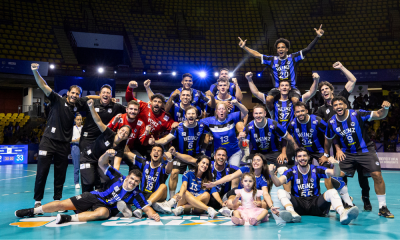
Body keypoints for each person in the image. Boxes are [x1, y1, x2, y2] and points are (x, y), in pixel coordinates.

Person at [15, 149, 160, 224]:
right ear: (127, 177)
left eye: (136, 182)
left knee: (102, 214)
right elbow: (102, 164)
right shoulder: (118, 177)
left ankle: (68, 219)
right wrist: (105, 154)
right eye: (132, 179)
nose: (133, 183)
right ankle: (33, 210)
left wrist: (153, 215)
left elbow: (147, 208)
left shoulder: (136, 193)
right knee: (61, 204)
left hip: (106, 207)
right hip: (94, 197)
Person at [315, 62, 372, 210]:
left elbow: (352, 80)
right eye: (322, 90)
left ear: (331, 90)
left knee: (362, 175)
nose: (324, 91)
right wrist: (336, 149)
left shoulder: (341, 98)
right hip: (340, 146)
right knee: (341, 174)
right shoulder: (321, 110)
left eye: (326, 88)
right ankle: (346, 201)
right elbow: (329, 133)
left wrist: (341, 68)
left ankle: (366, 198)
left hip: (357, 141)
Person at [325, 96, 394, 218]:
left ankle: (382, 207)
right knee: (336, 176)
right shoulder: (331, 122)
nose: (338, 107)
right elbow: (328, 139)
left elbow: (379, 114)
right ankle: (347, 204)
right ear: (333, 107)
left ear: (346, 105)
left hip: (365, 150)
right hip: (347, 153)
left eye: (340, 104)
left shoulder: (357, 114)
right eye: (335, 105)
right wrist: (327, 154)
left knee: (377, 175)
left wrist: (386, 108)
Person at [30, 63, 84, 210]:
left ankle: (58, 201)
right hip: (48, 141)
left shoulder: (76, 107)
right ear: (68, 93)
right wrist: (36, 71)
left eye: (77, 94)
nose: (74, 96)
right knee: (42, 172)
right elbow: (43, 85)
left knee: (60, 175)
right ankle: (38, 201)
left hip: (64, 145)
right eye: (72, 93)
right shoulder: (57, 99)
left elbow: (91, 99)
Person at [238, 25, 324, 118]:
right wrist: (245, 47)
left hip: (292, 88)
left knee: (295, 100)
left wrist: (317, 37)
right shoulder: (272, 60)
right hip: (277, 88)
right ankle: (272, 115)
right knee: (269, 99)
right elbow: (257, 55)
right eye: (278, 48)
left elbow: (307, 49)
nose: (280, 49)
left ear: (287, 49)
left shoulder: (293, 57)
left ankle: (295, 119)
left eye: (283, 47)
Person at [288, 102, 354, 207]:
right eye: (297, 112)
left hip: (320, 152)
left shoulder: (317, 121)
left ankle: (335, 200)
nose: (300, 113)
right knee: (301, 174)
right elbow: (288, 137)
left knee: (327, 174)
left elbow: (330, 134)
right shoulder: (292, 124)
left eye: (302, 111)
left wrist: (327, 154)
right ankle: (301, 200)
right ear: (294, 113)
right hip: (305, 152)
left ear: (306, 111)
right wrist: (297, 150)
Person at [270, 147, 359, 225]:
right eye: (299, 156)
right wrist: (272, 174)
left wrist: (336, 164)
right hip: (298, 205)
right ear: (296, 159)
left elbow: (336, 173)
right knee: (281, 192)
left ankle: (343, 213)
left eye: (304, 156)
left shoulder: (316, 169)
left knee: (332, 192)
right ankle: (291, 212)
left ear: (309, 157)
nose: (302, 158)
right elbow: (278, 183)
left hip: (316, 204)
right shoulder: (291, 171)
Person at [148, 106, 207, 199]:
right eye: (189, 114)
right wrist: (155, 142)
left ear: (196, 116)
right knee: (174, 172)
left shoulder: (202, 126)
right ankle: (172, 198)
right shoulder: (178, 127)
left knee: (201, 174)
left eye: (193, 114)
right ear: (185, 116)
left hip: (196, 156)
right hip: (179, 155)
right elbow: (166, 140)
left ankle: (199, 196)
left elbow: (207, 137)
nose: (191, 115)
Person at [80, 100, 131, 193]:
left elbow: (116, 165)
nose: (123, 133)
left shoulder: (120, 146)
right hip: (88, 157)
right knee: (89, 182)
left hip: (100, 162)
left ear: (127, 137)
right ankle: (85, 203)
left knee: (106, 180)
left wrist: (117, 178)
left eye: (126, 133)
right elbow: (98, 121)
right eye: (122, 130)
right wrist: (91, 107)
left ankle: (98, 201)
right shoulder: (109, 133)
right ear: (118, 130)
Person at [204, 154, 277, 217]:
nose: (255, 162)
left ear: (263, 163)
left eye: (258, 160)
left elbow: (265, 193)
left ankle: (238, 211)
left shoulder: (263, 179)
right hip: (239, 199)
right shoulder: (246, 169)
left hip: (251, 201)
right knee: (230, 202)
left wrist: (271, 206)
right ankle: (231, 211)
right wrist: (214, 183)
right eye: (254, 160)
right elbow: (230, 176)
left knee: (267, 203)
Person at [168, 147, 239, 212]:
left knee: (233, 191)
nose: (221, 157)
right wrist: (175, 154)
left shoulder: (230, 169)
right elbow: (190, 159)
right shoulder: (207, 166)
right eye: (219, 155)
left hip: (220, 196)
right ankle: (174, 202)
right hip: (209, 198)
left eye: (223, 155)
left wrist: (222, 202)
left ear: (226, 158)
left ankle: (182, 207)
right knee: (186, 192)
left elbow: (244, 173)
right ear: (214, 157)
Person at [246, 72, 319, 131]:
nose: (284, 87)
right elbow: (256, 93)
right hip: (276, 133)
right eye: (282, 85)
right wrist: (249, 80)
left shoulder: (296, 101)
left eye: (286, 85)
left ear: (290, 88)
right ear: (279, 88)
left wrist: (316, 80)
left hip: (293, 132)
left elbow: (311, 93)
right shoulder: (273, 101)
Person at [124, 144, 174, 215]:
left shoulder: (163, 167)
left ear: (162, 155)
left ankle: (143, 206)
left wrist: (170, 159)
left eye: (159, 151)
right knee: (130, 181)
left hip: (158, 197)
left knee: (163, 186)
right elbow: (128, 153)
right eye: (154, 150)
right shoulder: (144, 163)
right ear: (150, 153)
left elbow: (169, 169)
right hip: (144, 194)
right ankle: (136, 206)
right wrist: (122, 140)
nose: (156, 152)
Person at [77, 84, 126, 151]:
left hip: (103, 139)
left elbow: (130, 111)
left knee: (102, 160)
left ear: (111, 96)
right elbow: (78, 101)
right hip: (88, 139)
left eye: (108, 93)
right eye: (103, 92)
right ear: (99, 94)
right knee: (86, 160)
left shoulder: (116, 106)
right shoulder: (91, 103)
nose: (105, 94)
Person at [201, 99, 248, 167]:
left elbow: (245, 112)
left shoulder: (232, 117)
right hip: (219, 154)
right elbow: (197, 122)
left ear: (226, 111)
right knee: (220, 175)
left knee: (233, 173)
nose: (221, 111)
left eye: (223, 109)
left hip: (234, 152)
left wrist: (237, 103)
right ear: (216, 111)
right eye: (219, 109)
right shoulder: (210, 120)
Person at [107, 100, 151, 170]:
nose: (133, 111)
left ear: (138, 111)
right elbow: (106, 132)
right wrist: (113, 123)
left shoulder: (140, 123)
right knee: (110, 168)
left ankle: (131, 180)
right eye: (131, 109)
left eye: (135, 109)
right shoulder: (119, 118)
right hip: (116, 149)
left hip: (130, 150)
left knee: (140, 164)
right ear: (126, 109)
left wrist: (147, 134)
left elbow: (143, 142)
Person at [71, 114, 83, 189]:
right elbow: (69, 140)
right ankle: (76, 182)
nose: (79, 121)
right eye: (77, 119)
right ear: (75, 120)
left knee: (84, 166)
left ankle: (84, 182)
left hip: (84, 148)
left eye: (80, 119)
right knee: (76, 166)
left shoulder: (84, 128)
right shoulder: (72, 128)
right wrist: (77, 139)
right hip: (76, 147)